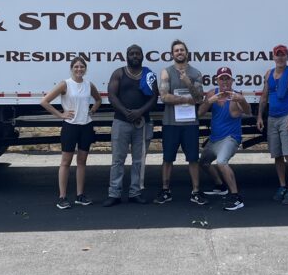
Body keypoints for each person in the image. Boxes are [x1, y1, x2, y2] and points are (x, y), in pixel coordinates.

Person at [40, 56, 101, 209]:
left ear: (85, 69)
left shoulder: (89, 84)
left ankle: (80, 195)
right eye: (76, 67)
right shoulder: (65, 84)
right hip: (70, 126)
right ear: (71, 68)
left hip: (86, 126)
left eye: (82, 67)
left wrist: (93, 110)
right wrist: (61, 115)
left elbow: (98, 99)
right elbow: (44, 101)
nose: (79, 69)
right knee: (65, 162)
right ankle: (62, 197)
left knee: (82, 162)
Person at [104, 44, 159, 206]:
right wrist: (127, 112)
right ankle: (114, 193)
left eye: (138, 54)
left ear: (142, 56)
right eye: (132, 54)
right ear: (126, 56)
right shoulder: (119, 73)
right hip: (121, 121)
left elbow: (154, 98)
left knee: (139, 160)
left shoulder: (149, 75)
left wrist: (139, 112)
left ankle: (135, 192)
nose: (135, 56)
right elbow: (112, 96)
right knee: (117, 160)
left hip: (142, 123)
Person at [157, 39, 206, 205]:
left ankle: (196, 192)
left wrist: (187, 83)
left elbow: (199, 98)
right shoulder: (166, 72)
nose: (179, 52)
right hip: (171, 123)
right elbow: (164, 97)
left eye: (182, 50)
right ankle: (165, 191)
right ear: (172, 54)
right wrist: (185, 99)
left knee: (193, 159)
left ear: (187, 53)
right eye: (176, 50)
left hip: (190, 124)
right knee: (168, 158)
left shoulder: (196, 73)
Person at [198, 67, 250, 211]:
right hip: (214, 139)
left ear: (232, 80)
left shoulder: (236, 96)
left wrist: (243, 100)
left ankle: (236, 197)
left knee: (221, 162)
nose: (225, 81)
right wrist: (209, 101)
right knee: (203, 162)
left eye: (227, 78)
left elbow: (248, 111)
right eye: (222, 78)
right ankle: (220, 186)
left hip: (230, 138)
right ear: (217, 80)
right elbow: (200, 113)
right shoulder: (212, 93)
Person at [256, 44, 288, 204]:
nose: (280, 57)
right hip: (272, 118)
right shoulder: (269, 73)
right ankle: (283, 185)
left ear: (287, 57)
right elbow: (264, 97)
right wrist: (260, 117)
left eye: (283, 55)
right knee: (277, 155)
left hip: (287, 117)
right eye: (278, 55)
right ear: (273, 57)